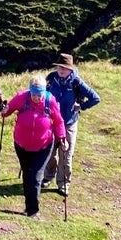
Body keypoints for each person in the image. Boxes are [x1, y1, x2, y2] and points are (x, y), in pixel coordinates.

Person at [1, 73, 67, 218]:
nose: (37, 97)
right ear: (30, 90)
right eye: (34, 94)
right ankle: (28, 204)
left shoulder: (50, 101)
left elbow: (58, 121)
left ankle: (32, 210)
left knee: (35, 176)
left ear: (44, 91)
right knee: (27, 174)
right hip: (21, 145)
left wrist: (62, 137)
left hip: (43, 146)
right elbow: (7, 111)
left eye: (39, 94)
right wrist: (4, 110)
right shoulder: (21, 97)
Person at [43, 53, 101, 197]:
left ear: (70, 69)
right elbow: (42, 95)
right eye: (59, 67)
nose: (61, 70)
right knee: (49, 153)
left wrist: (81, 106)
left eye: (65, 68)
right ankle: (48, 176)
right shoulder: (51, 79)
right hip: (51, 123)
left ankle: (63, 184)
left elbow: (95, 98)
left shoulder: (76, 82)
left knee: (66, 155)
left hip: (69, 124)